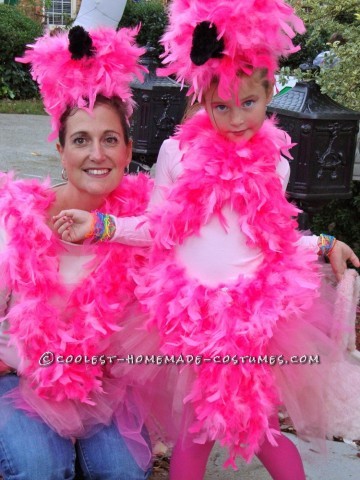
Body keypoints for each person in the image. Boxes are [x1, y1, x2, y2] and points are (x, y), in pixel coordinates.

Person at [53, 1, 360, 479]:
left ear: (269, 93)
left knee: (258, 425)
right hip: (192, 316)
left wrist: (322, 243)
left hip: (254, 318)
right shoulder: (178, 154)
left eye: (249, 104)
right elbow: (159, 228)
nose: (236, 118)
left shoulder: (274, 164)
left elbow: (269, 238)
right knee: (198, 425)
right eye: (222, 106)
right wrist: (100, 227)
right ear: (204, 100)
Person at [0, 25, 155, 479]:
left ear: (128, 151)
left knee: (123, 471)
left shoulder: (142, 225)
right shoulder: (17, 221)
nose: (97, 154)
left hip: (106, 385)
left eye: (110, 139)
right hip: (21, 380)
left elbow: (220, 243)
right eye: (81, 140)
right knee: (37, 466)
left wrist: (321, 245)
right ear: (62, 152)